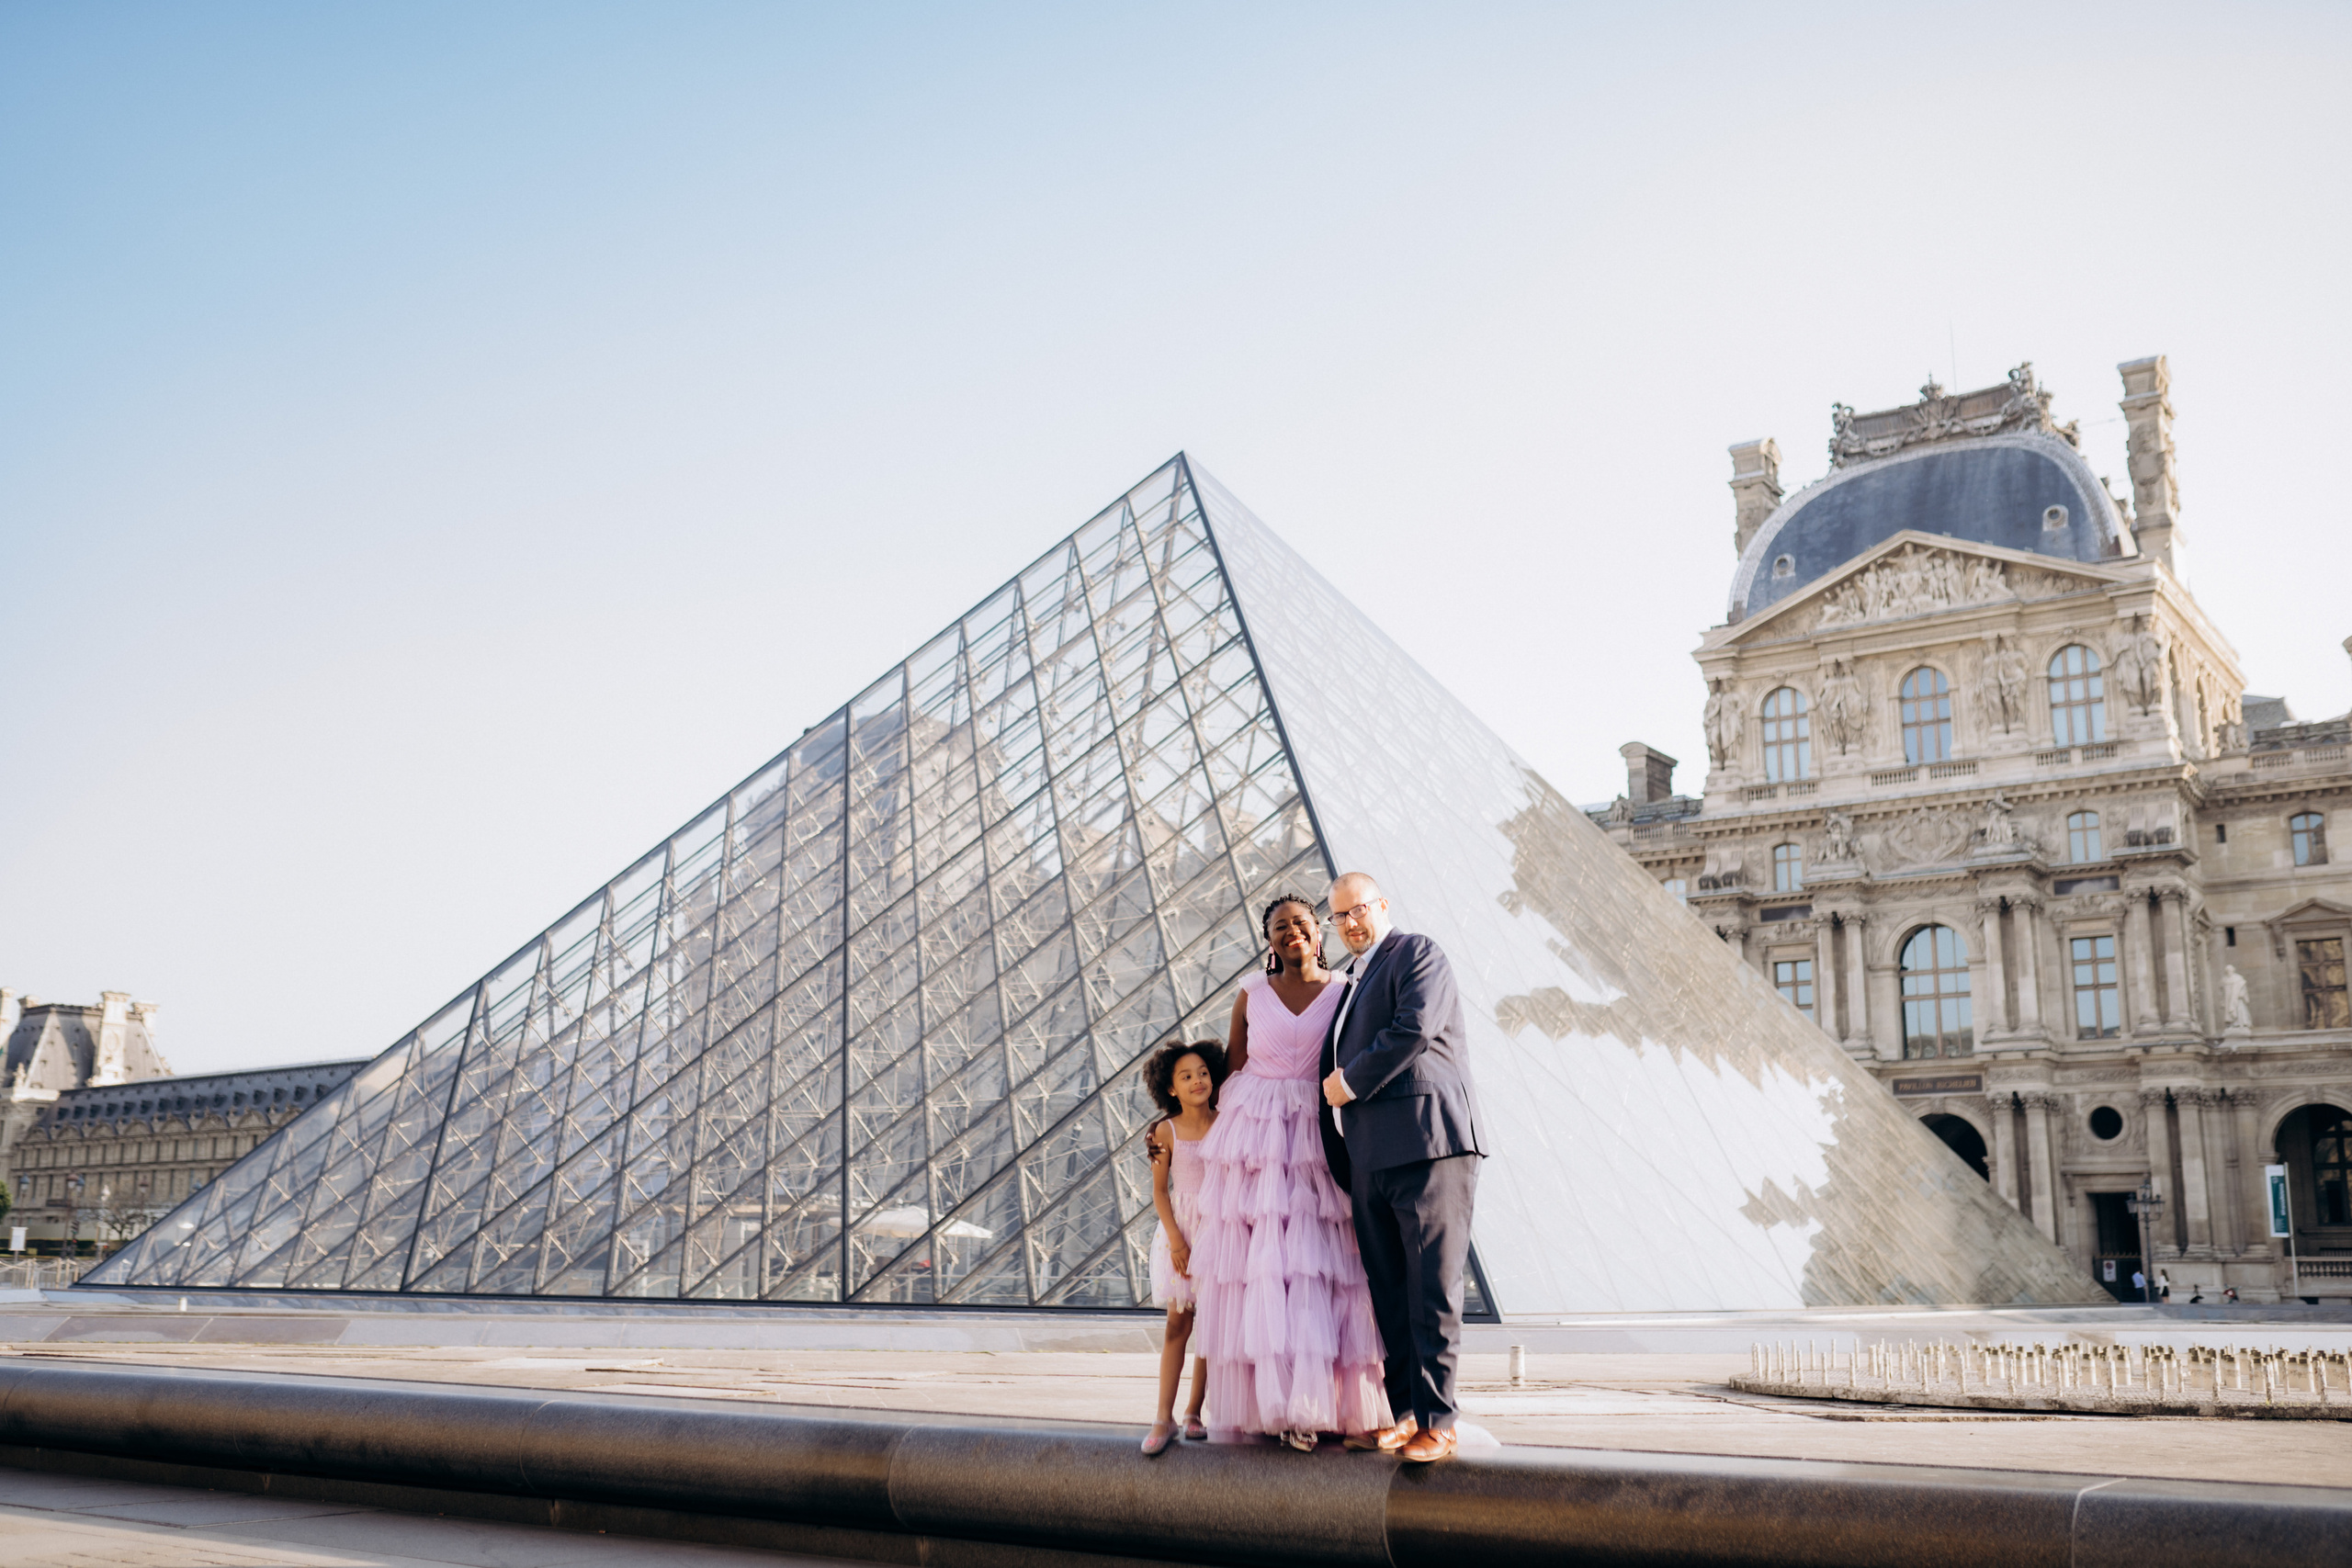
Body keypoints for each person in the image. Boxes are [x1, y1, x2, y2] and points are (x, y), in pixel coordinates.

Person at [1187, 894, 1390, 1450]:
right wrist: (1181, 1134)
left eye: (1301, 923)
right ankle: (1279, 1408)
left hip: (1321, 1130)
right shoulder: (1251, 992)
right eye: (1280, 927)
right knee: (1264, 1273)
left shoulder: (1348, 992)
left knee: (1324, 1269)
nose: (1292, 932)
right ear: (1268, 939)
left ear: (1318, 931)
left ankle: (1324, 1403)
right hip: (1257, 1136)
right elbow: (1232, 1067)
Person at [1319, 872, 1485, 1463]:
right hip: (1372, 1155)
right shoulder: (1354, 979)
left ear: (1381, 904)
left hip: (1426, 1143)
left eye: (1357, 910)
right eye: (1338, 917)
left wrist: (1349, 1082)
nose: (1349, 923)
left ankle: (1439, 1421)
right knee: (1388, 1289)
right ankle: (1406, 1412)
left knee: (1432, 1287)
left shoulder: (1417, 952)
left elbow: (1412, 1028)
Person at [1139, 1039, 1226, 1456]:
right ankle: (1163, 1415)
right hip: (1184, 1235)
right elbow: (1159, 1192)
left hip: (1221, 1233)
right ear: (1170, 1088)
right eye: (1186, 1076)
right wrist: (1175, 1240)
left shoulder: (1228, 1122)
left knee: (1210, 1327)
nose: (1197, 1081)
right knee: (1178, 1324)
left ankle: (1194, 1411)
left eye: (1203, 1072)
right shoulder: (1164, 1131)